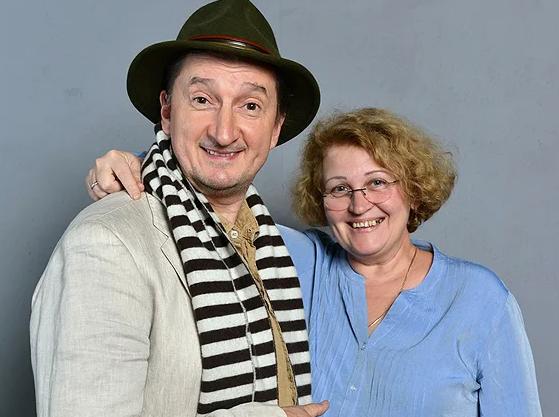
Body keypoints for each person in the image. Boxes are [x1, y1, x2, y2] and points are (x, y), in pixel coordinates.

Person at [90, 108, 542, 416]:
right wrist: (136, 164)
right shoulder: (297, 261)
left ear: (413, 189)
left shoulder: (481, 300)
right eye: (339, 188)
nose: (360, 205)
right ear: (320, 199)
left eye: (378, 182)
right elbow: (210, 199)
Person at [30, 1, 329, 416]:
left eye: (250, 106)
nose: (224, 132)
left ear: (276, 128)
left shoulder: (274, 248)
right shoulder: (104, 245)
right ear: (168, 112)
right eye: (203, 99)